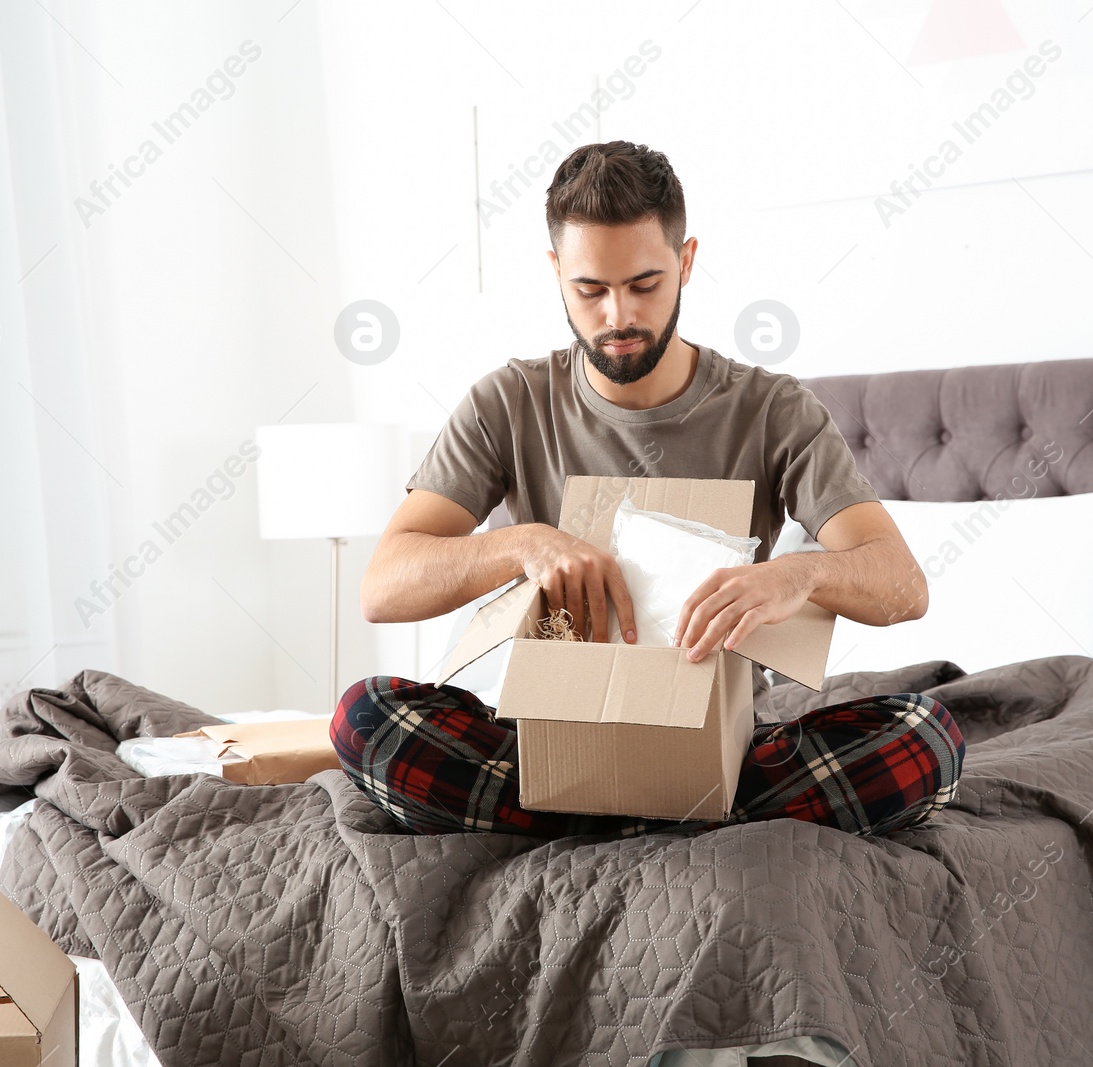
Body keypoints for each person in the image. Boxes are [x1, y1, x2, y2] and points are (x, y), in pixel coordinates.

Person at [332, 141, 964, 839]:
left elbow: (904, 584)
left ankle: (591, 815)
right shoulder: (508, 403)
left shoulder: (773, 410)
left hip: (724, 747)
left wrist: (800, 574)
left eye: (644, 284)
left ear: (686, 261)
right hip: (549, 738)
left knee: (925, 737)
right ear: (556, 273)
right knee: (363, 718)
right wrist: (524, 544)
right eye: (590, 290)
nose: (617, 317)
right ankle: (639, 811)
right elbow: (382, 587)